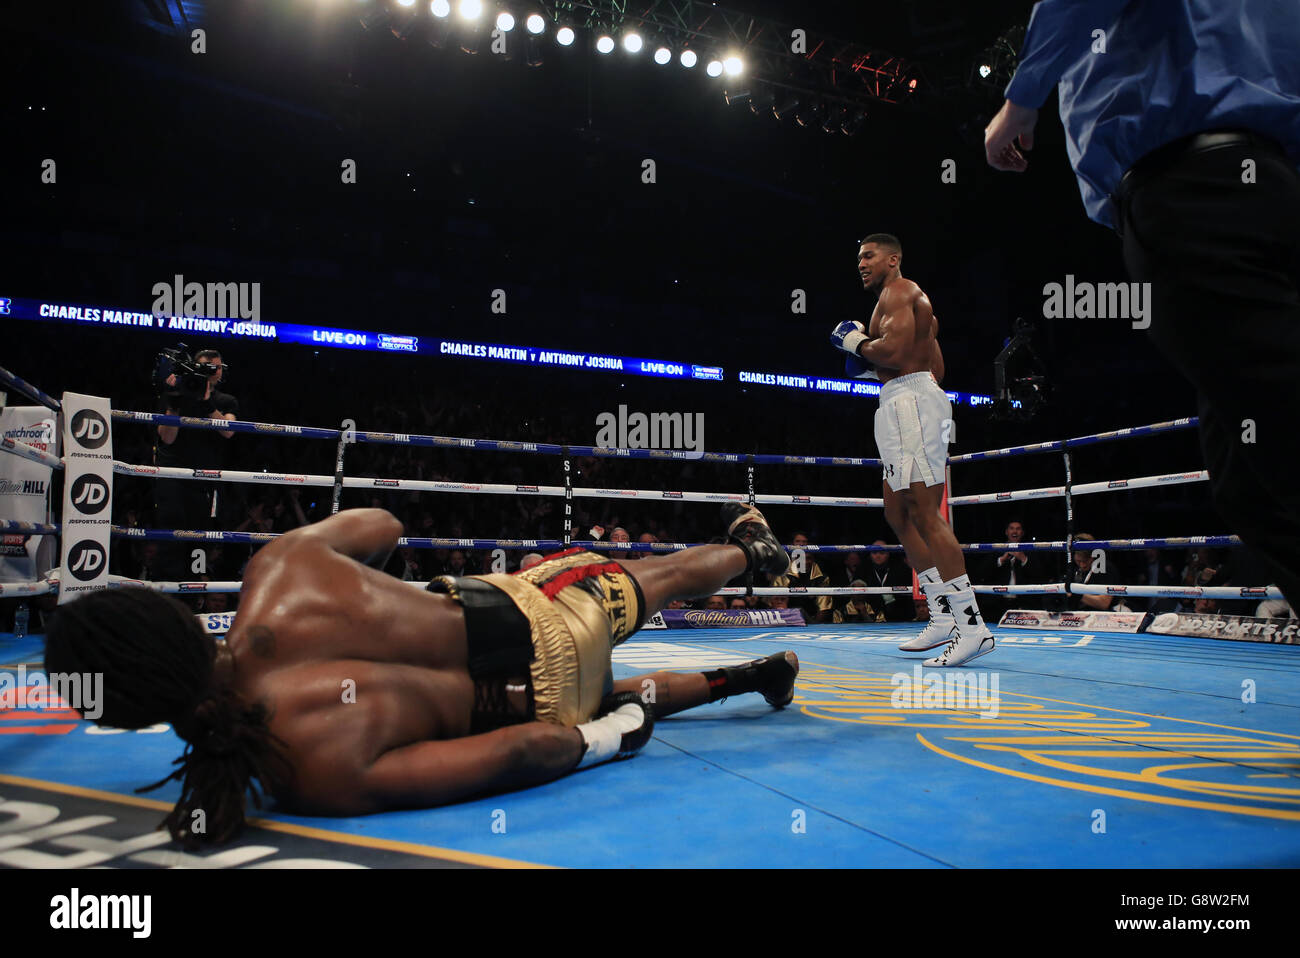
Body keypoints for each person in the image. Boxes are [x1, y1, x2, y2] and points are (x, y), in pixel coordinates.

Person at [43, 504, 798, 846]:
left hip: (531, 705)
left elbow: (516, 751)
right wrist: (370, 596)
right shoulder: (277, 571)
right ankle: (750, 550)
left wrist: (604, 738)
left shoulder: (296, 766)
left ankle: (752, 675)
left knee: (603, 702)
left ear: (128, 713)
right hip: (532, 613)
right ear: (166, 617)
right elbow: (384, 527)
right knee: (651, 576)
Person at [985, 0, 1300, 610]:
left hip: (1189, 188)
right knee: (1247, 480)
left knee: (1279, 443)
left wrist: (1019, 101)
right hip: (1270, 185)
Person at [831, 234, 995, 666]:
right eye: (859, 257)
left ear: (893, 258)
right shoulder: (892, 300)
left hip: (912, 403)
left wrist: (855, 343)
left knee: (924, 512)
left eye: (869, 256)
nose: (861, 264)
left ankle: (972, 626)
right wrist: (872, 359)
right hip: (900, 401)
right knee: (897, 513)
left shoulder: (902, 291)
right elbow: (931, 364)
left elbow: (897, 351)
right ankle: (942, 615)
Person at [153, 348, 238, 585]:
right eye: (207, 368)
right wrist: (174, 403)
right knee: (170, 526)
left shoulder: (225, 401)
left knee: (199, 534)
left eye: (217, 367)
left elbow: (229, 430)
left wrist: (206, 403)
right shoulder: (174, 394)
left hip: (204, 478)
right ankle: (164, 587)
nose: (214, 372)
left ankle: (195, 585)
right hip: (172, 472)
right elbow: (167, 438)